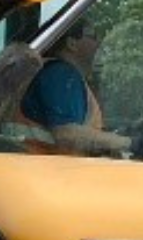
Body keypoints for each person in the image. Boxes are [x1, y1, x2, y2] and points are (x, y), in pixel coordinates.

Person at [13, 19, 134, 156]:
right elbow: (67, 134)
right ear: (72, 44)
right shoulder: (60, 75)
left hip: (36, 163)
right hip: (45, 165)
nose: (99, 43)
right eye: (93, 36)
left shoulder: (60, 75)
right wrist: (129, 143)